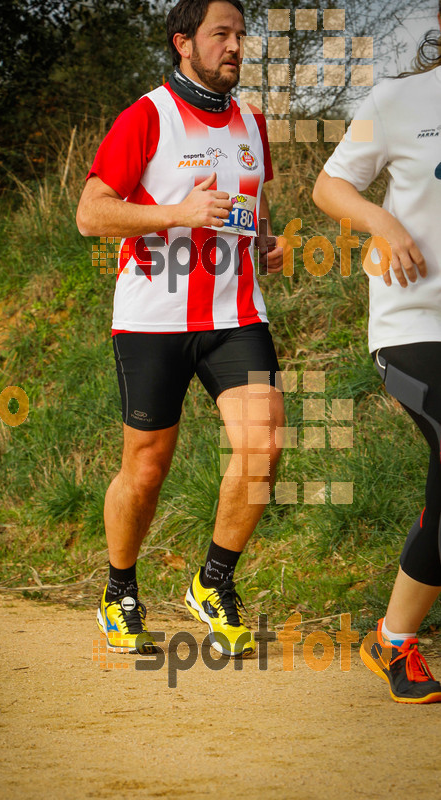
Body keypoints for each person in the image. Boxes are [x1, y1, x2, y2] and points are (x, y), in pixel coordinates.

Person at [76, 0, 286, 658]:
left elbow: (252, 203)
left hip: (236, 316)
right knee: (144, 471)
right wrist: (178, 212)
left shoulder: (252, 122)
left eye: (240, 36)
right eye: (220, 35)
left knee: (264, 447)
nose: (234, 47)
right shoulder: (148, 116)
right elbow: (91, 215)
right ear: (182, 43)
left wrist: (268, 242)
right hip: (153, 321)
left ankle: (213, 580)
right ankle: (119, 589)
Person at [313, 7, 441, 703]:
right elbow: (329, 184)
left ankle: (392, 639)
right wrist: (382, 223)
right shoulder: (399, 99)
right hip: (414, 323)